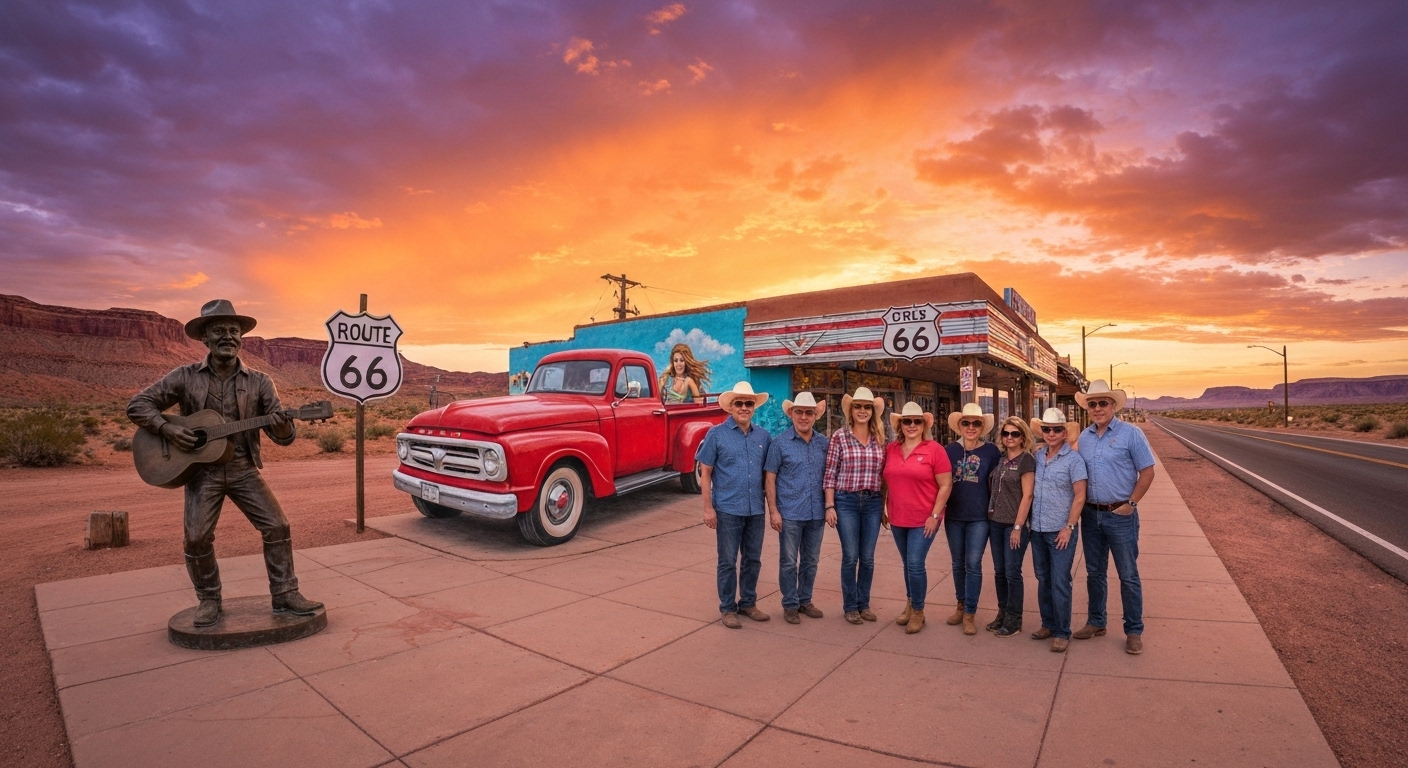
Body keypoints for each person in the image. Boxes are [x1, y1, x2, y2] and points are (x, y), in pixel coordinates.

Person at [127, 299, 323, 627]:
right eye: (219, 331)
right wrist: (168, 429)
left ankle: (286, 593)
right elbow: (138, 405)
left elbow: (284, 438)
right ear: (205, 337)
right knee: (196, 538)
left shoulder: (261, 382)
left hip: (243, 468)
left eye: (234, 331)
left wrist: (282, 423)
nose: (228, 337)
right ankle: (209, 600)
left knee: (277, 526)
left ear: (242, 338)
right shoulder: (184, 377)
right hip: (201, 471)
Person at [1072, 380, 1157, 655]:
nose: (1097, 408)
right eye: (1092, 404)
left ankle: (1134, 630)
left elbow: (1147, 472)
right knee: (1094, 573)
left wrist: (1131, 504)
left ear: (1113, 406)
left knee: (1128, 575)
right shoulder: (1083, 437)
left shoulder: (1131, 434)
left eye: (1102, 403)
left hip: (1120, 514)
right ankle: (1097, 621)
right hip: (1091, 514)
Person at [697, 381, 772, 629]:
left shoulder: (763, 436)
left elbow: (769, 475)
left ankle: (748, 603)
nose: (743, 407)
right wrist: (708, 508)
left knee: (753, 559)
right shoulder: (716, 434)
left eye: (748, 403)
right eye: (738, 403)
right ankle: (728, 607)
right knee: (727, 560)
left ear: (754, 407)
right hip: (728, 509)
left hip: (755, 510)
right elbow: (705, 473)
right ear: (730, 407)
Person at [884, 402, 953, 634]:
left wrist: (935, 514)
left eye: (917, 421)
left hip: (924, 519)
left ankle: (919, 611)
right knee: (907, 564)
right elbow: (886, 479)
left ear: (924, 424)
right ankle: (910, 603)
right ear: (900, 425)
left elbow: (945, 485)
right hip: (897, 517)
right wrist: (884, 506)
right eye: (907, 421)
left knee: (915, 564)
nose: (912, 425)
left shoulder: (935, 449)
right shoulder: (891, 449)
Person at [765, 392, 830, 624]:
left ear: (815, 416)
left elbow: (830, 476)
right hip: (790, 512)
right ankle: (790, 603)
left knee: (811, 560)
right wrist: (773, 511)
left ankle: (805, 599)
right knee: (788, 561)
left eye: (809, 412)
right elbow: (770, 478)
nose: (804, 417)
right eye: (799, 412)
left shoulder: (824, 443)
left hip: (816, 512)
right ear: (792, 414)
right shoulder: (779, 443)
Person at [823, 386, 886, 625]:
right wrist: (829, 506)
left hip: (872, 502)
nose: (862, 410)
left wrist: (885, 506)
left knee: (867, 557)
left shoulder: (880, 438)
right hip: (846, 501)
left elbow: (884, 475)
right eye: (858, 406)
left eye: (867, 407)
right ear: (851, 410)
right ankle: (850, 606)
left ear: (872, 411)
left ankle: (864, 604)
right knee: (850, 556)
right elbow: (830, 473)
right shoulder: (840, 436)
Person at [1028, 408, 1087, 652]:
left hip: (1060, 531)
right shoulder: (1038, 456)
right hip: (1038, 529)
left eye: (1056, 429)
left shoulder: (1074, 460)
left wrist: (1069, 527)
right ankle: (1048, 624)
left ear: (1064, 433)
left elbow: (1080, 496)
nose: (1050, 433)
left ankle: (1063, 631)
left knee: (1060, 580)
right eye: (1046, 429)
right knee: (1043, 579)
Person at [943, 402, 1001, 635]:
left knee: (973, 564)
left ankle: (970, 612)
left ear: (982, 427)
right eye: (966, 422)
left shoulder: (991, 451)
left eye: (976, 423)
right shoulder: (949, 451)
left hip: (979, 516)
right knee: (958, 563)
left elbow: (999, 483)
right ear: (959, 425)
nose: (971, 426)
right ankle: (960, 604)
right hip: (954, 515)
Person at [986, 416, 1036, 637]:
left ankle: (1014, 619)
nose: (1009, 437)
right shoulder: (1001, 459)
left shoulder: (1026, 460)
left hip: (1014, 526)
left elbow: (1028, 496)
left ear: (1023, 436)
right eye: (1005, 433)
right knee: (1000, 572)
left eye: (1014, 434)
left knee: (1012, 573)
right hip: (996, 523)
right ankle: (1003, 613)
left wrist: (1018, 527)